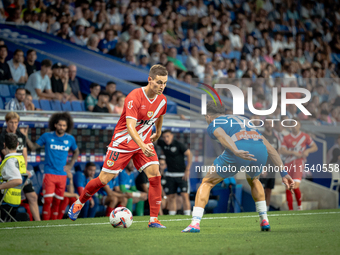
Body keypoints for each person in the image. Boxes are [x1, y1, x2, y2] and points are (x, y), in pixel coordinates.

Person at [69, 64, 168, 228]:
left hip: (143, 142)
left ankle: (154, 220)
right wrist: (142, 144)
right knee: (103, 180)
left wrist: (157, 132)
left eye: (164, 83)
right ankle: (79, 202)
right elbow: (130, 127)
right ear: (149, 80)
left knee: (155, 176)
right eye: (158, 82)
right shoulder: (134, 96)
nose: (162, 86)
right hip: (122, 143)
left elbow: (160, 114)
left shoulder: (162, 100)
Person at [182, 101, 294, 233]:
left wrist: (235, 150)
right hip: (260, 151)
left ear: (208, 116)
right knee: (254, 180)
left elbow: (221, 135)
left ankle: (195, 223)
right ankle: (264, 219)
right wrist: (283, 173)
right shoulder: (244, 119)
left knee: (207, 182)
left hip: (238, 149)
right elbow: (269, 147)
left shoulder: (214, 123)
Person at [23, 112, 79, 220]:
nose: (61, 127)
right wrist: (25, 137)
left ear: (67, 127)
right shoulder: (47, 136)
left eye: (64, 125)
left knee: (57, 201)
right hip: (49, 173)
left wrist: (70, 165)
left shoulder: (70, 139)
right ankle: (45, 224)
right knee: (48, 200)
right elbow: (33, 147)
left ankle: (54, 225)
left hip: (62, 174)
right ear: (55, 125)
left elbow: (76, 151)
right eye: (60, 125)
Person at [0, 112, 40, 221]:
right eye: (11, 122)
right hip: (8, 173)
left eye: (16, 122)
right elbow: (7, 154)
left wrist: (24, 169)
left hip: (21, 172)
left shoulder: (21, 136)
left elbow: (24, 154)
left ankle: (39, 223)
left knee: (33, 196)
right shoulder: (2, 136)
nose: (13, 125)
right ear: (6, 122)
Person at [280, 118, 318, 211]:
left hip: (299, 163)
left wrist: (308, 150)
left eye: (296, 124)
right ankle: (290, 209)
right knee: (288, 186)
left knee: (295, 185)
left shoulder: (305, 136)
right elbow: (282, 150)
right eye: (293, 124)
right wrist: (293, 152)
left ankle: (299, 207)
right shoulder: (286, 137)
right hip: (288, 163)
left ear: (300, 125)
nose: (295, 126)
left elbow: (315, 147)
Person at [157, 130, 192, 216]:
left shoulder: (179, 144)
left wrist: (187, 170)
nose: (166, 139)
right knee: (171, 197)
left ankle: (188, 215)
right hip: (170, 174)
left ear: (172, 136)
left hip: (182, 175)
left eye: (168, 136)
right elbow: (154, 139)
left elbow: (189, 154)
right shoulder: (162, 144)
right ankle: (172, 216)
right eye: (164, 137)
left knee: (184, 195)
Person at [0, 133, 26, 222]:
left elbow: (18, 180)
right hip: (16, 197)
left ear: (4, 145)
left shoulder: (10, 161)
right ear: (17, 145)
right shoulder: (21, 159)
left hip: (5, 197)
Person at [259, 118, 280, 211]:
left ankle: (266, 209)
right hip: (263, 166)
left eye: (270, 123)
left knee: (269, 189)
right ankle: (259, 208)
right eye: (267, 123)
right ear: (264, 125)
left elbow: (277, 153)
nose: (269, 125)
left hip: (272, 168)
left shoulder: (275, 138)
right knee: (261, 189)